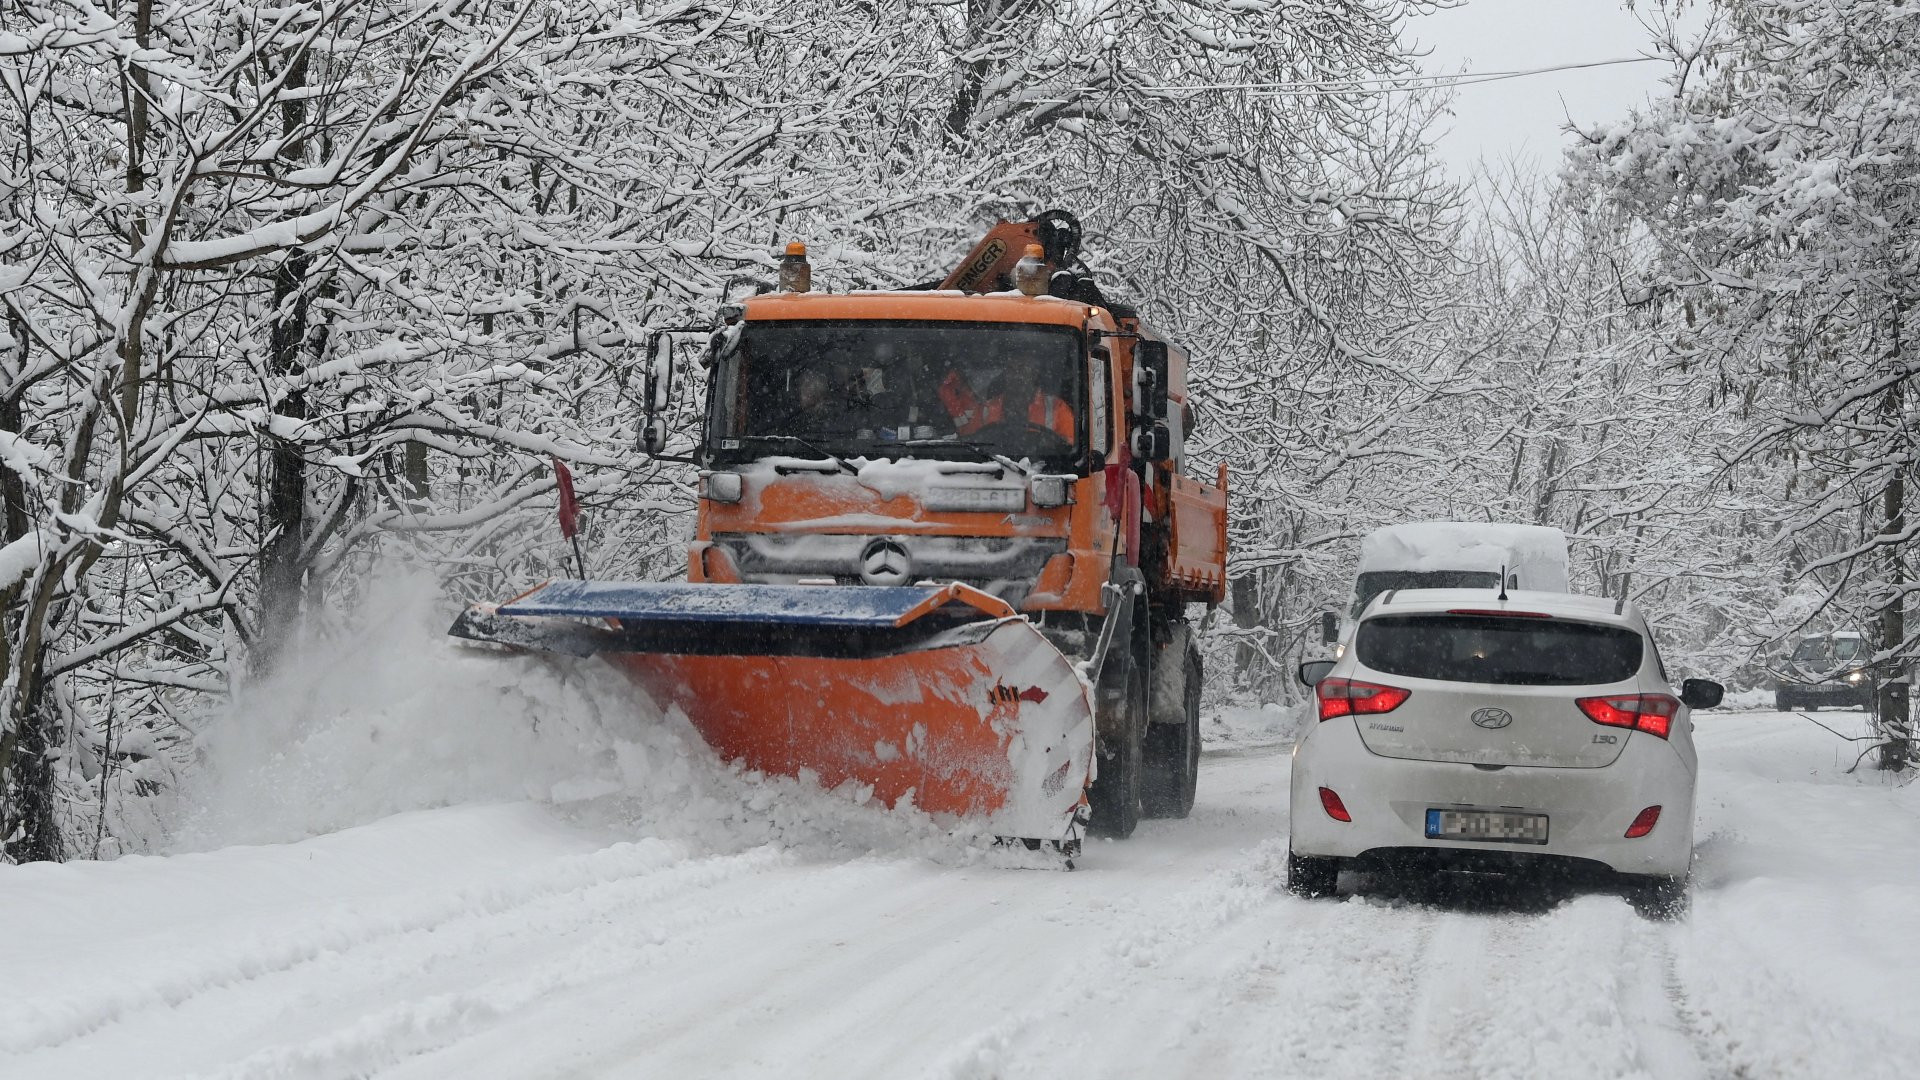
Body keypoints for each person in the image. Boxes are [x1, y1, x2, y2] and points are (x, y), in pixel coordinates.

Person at [938, 364, 1074, 441]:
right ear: (1006, 375)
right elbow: (970, 444)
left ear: (1034, 374)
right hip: (992, 470)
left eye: (1024, 369)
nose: (1018, 376)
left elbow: (1068, 449)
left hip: (1042, 471)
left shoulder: (1057, 408)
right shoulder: (986, 409)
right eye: (1012, 370)